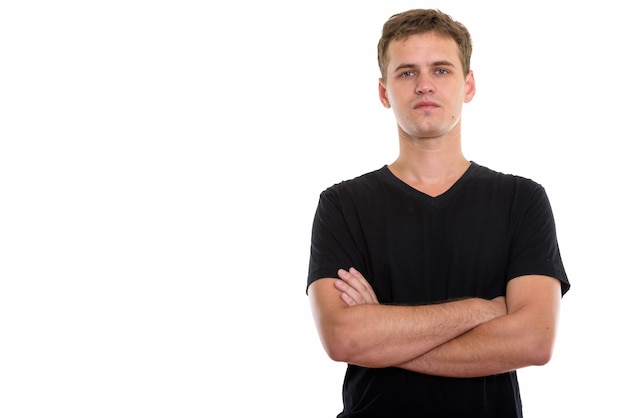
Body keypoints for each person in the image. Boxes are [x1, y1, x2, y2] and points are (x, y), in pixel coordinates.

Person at [306, 8, 570, 418]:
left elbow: (535, 340)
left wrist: (382, 336)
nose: (424, 85)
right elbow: (344, 340)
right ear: (383, 91)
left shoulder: (522, 199)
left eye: (442, 70)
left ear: (468, 85)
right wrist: (485, 310)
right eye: (407, 72)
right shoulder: (342, 205)